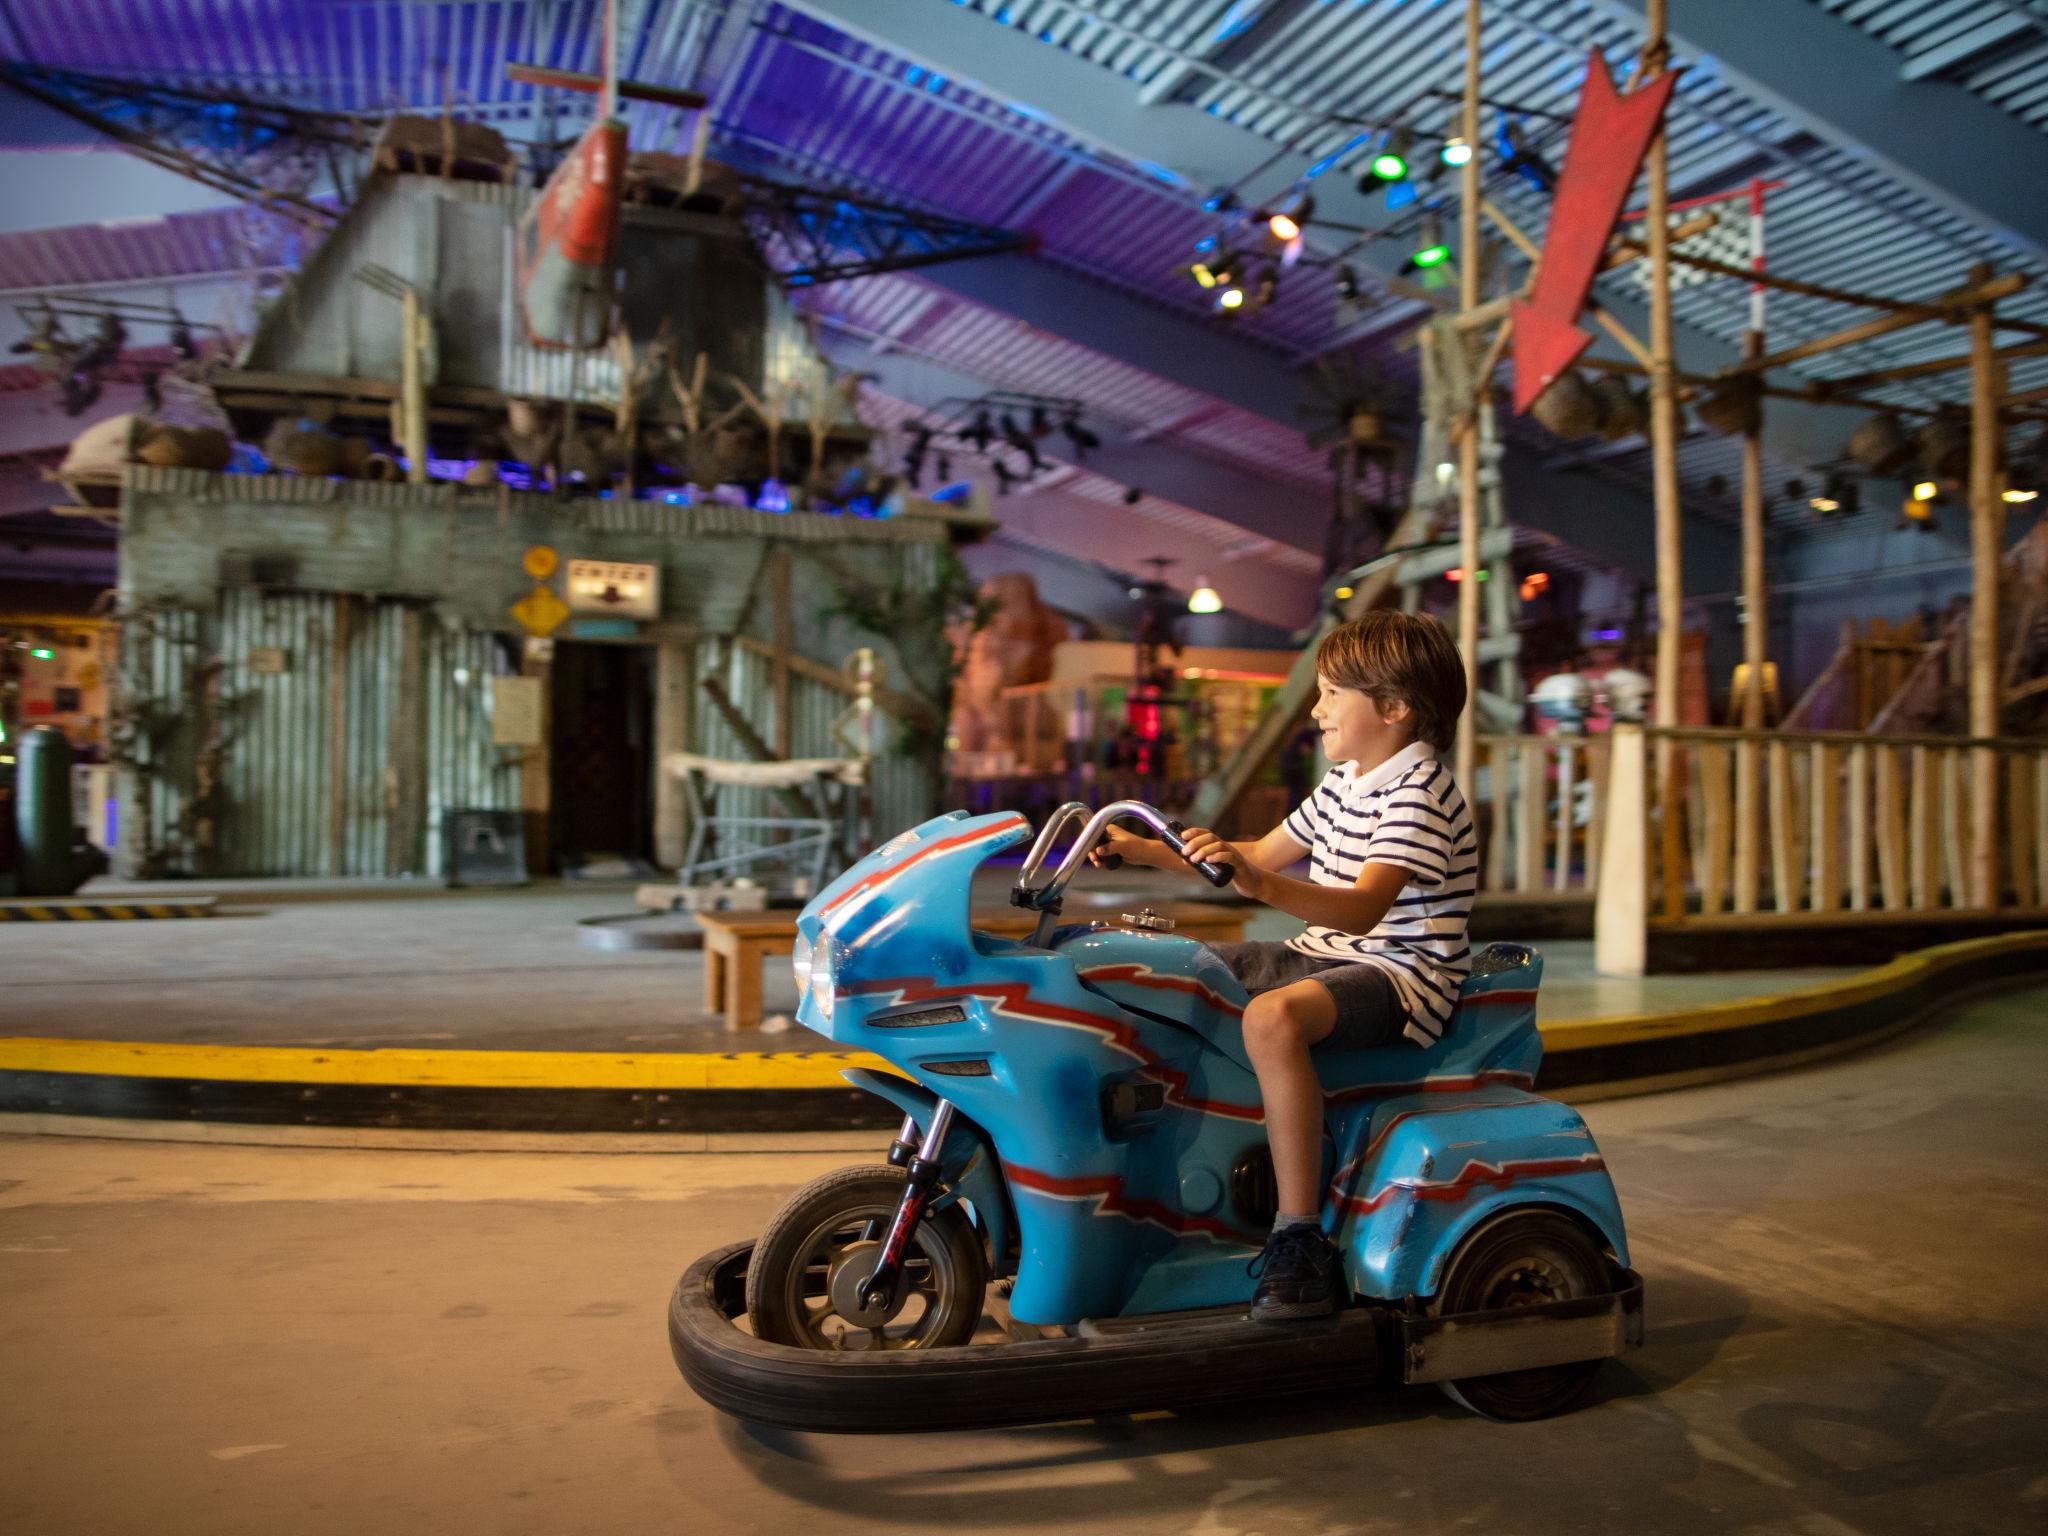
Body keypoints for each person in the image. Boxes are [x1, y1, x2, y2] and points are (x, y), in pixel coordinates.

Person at [1092, 610, 1474, 1320]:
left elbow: (1363, 912)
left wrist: (1259, 885)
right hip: (1325, 954)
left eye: (1333, 694)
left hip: (1402, 975)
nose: (1316, 708)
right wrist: (1143, 850)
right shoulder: (1347, 782)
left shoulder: (1418, 794)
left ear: (1392, 709)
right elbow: (1261, 855)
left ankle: (1299, 1236)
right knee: (1171, 969)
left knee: (1272, 1018)